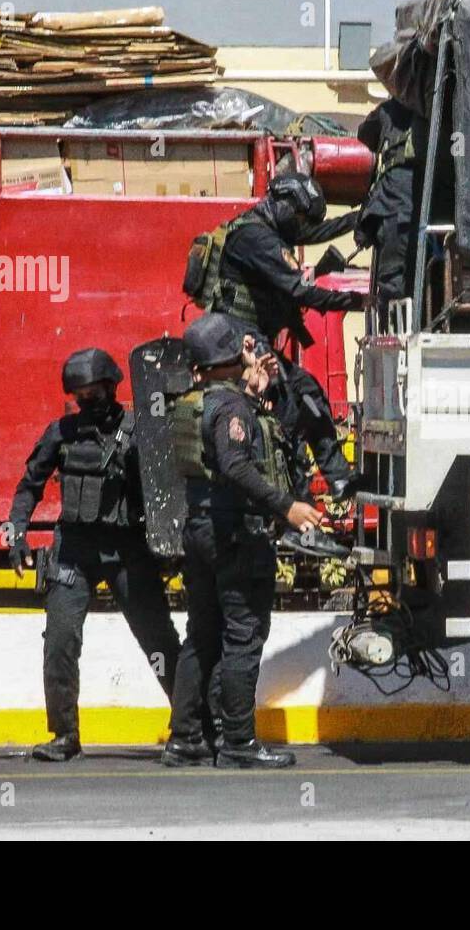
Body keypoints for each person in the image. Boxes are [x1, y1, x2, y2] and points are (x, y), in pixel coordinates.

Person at [160, 314, 323, 769]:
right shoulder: (230, 409)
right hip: (235, 533)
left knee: (202, 635)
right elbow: (234, 466)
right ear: (233, 354)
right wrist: (286, 506)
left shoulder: (198, 401)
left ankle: (187, 737)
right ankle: (237, 742)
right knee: (243, 636)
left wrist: (253, 390)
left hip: (199, 529)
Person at [6, 348, 180, 762]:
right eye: (79, 394)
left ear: (112, 386)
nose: (86, 401)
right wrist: (16, 535)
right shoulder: (61, 432)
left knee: (158, 641)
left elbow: (168, 489)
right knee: (61, 642)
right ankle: (64, 734)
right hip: (74, 550)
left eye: (93, 392)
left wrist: (174, 547)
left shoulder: (141, 431)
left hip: (128, 549)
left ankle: (191, 725)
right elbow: (29, 485)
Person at [212, 171, 362, 500]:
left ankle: (338, 478)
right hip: (243, 342)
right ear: (282, 204)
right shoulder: (256, 237)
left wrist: (355, 218)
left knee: (308, 392)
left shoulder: (268, 229)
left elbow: (313, 232)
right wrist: (353, 300)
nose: (300, 226)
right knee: (287, 410)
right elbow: (301, 289)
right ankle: (296, 502)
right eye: (297, 216)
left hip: (254, 338)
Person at [356, 97, 423, 306]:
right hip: (414, 202)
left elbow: (365, 133)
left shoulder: (389, 110)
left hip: (397, 203)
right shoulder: (439, 108)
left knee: (393, 280)